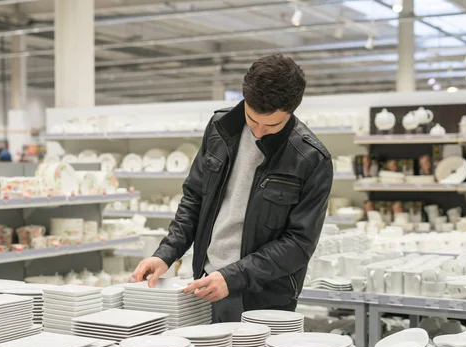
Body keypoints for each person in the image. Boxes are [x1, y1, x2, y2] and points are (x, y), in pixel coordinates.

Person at [131, 54, 333, 322]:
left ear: (292, 110)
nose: (259, 131)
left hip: (265, 297)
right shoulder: (219, 129)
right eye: (252, 119)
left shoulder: (311, 159)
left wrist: (234, 276)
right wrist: (166, 254)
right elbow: (194, 199)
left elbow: (299, 243)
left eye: (272, 124)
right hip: (206, 284)